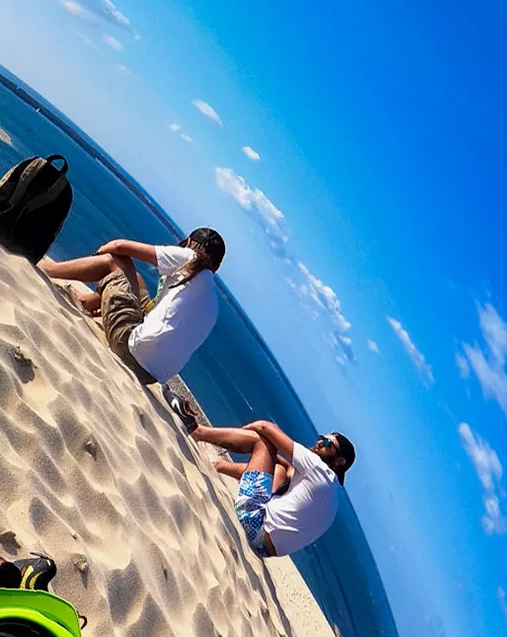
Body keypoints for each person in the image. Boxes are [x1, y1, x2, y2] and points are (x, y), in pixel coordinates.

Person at [42, 229, 225, 385]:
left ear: (190, 242)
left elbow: (120, 247)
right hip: (150, 375)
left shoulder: (190, 258)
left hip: (130, 349)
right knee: (135, 279)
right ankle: (87, 302)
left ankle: (47, 269)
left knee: (116, 262)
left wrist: (99, 255)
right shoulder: (212, 301)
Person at [195, 415, 356, 558]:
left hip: (254, 523)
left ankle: (198, 431)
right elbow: (287, 468)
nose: (319, 442)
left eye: (327, 443)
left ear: (339, 461)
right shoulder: (331, 488)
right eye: (321, 438)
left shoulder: (319, 468)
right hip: (265, 549)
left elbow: (265, 427)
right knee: (279, 467)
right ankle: (220, 466)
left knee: (263, 442)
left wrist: (247, 433)